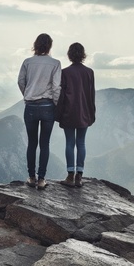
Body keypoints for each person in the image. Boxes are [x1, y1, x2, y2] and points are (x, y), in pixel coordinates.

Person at [17, 33, 61, 190]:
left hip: (30, 106)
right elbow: (56, 87)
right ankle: (42, 179)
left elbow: (20, 81)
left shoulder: (27, 62)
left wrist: (27, 94)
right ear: (49, 46)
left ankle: (31, 177)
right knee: (45, 143)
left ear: (35, 45)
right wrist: (56, 104)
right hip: (48, 106)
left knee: (32, 143)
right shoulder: (55, 63)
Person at [55, 42, 96, 188]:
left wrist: (57, 114)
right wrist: (92, 113)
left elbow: (61, 96)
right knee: (81, 143)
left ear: (70, 55)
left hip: (69, 112)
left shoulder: (65, 73)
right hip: (84, 112)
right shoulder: (89, 72)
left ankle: (70, 175)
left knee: (69, 143)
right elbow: (91, 95)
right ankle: (79, 176)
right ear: (83, 54)